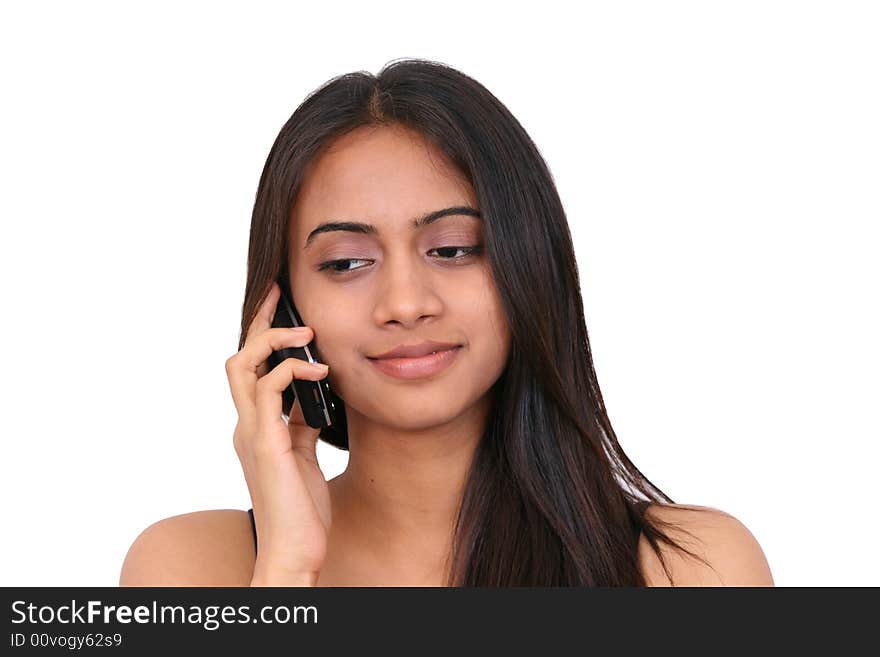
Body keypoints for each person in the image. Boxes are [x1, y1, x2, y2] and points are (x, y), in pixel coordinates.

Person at [119, 58, 774, 587]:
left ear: (528, 267)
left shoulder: (691, 569)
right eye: (347, 261)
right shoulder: (191, 570)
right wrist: (288, 570)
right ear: (284, 310)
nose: (406, 302)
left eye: (453, 249)